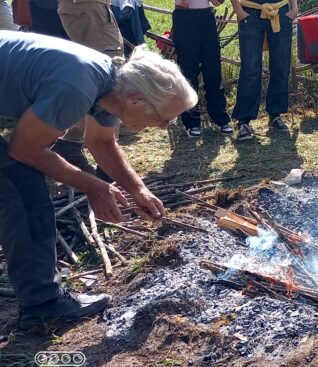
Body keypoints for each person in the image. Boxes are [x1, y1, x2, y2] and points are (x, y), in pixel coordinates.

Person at [0, 31, 197, 328]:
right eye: (163, 119)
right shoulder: (77, 88)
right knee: (24, 192)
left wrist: (138, 190)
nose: (161, 127)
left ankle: (40, 294)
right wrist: (93, 185)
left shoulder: (111, 86)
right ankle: (43, 305)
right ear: (136, 99)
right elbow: (24, 149)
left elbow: (103, 143)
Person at [229, 0, 297, 141]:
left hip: (281, 10)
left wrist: (294, 8)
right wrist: (238, 10)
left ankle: (276, 113)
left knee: (281, 65)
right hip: (250, 11)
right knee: (250, 67)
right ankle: (244, 121)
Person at [172, 0, 232, 137]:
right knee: (188, 72)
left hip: (206, 16)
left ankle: (220, 118)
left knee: (213, 69)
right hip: (185, 16)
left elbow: (218, 2)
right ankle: (191, 122)